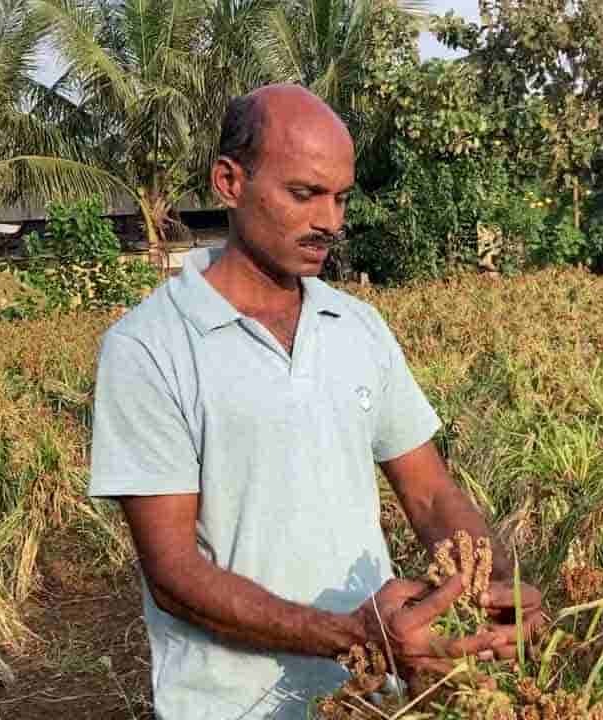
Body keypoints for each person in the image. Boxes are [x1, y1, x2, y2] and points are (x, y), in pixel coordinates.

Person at [88, 83, 544, 719]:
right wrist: (353, 636)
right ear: (229, 181)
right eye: (304, 194)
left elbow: (430, 493)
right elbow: (173, 573)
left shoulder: (358, 328)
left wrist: (486, 582)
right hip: (235, 705)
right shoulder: (148, 347)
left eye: (341, 197)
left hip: (372, 698)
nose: (330, 220)